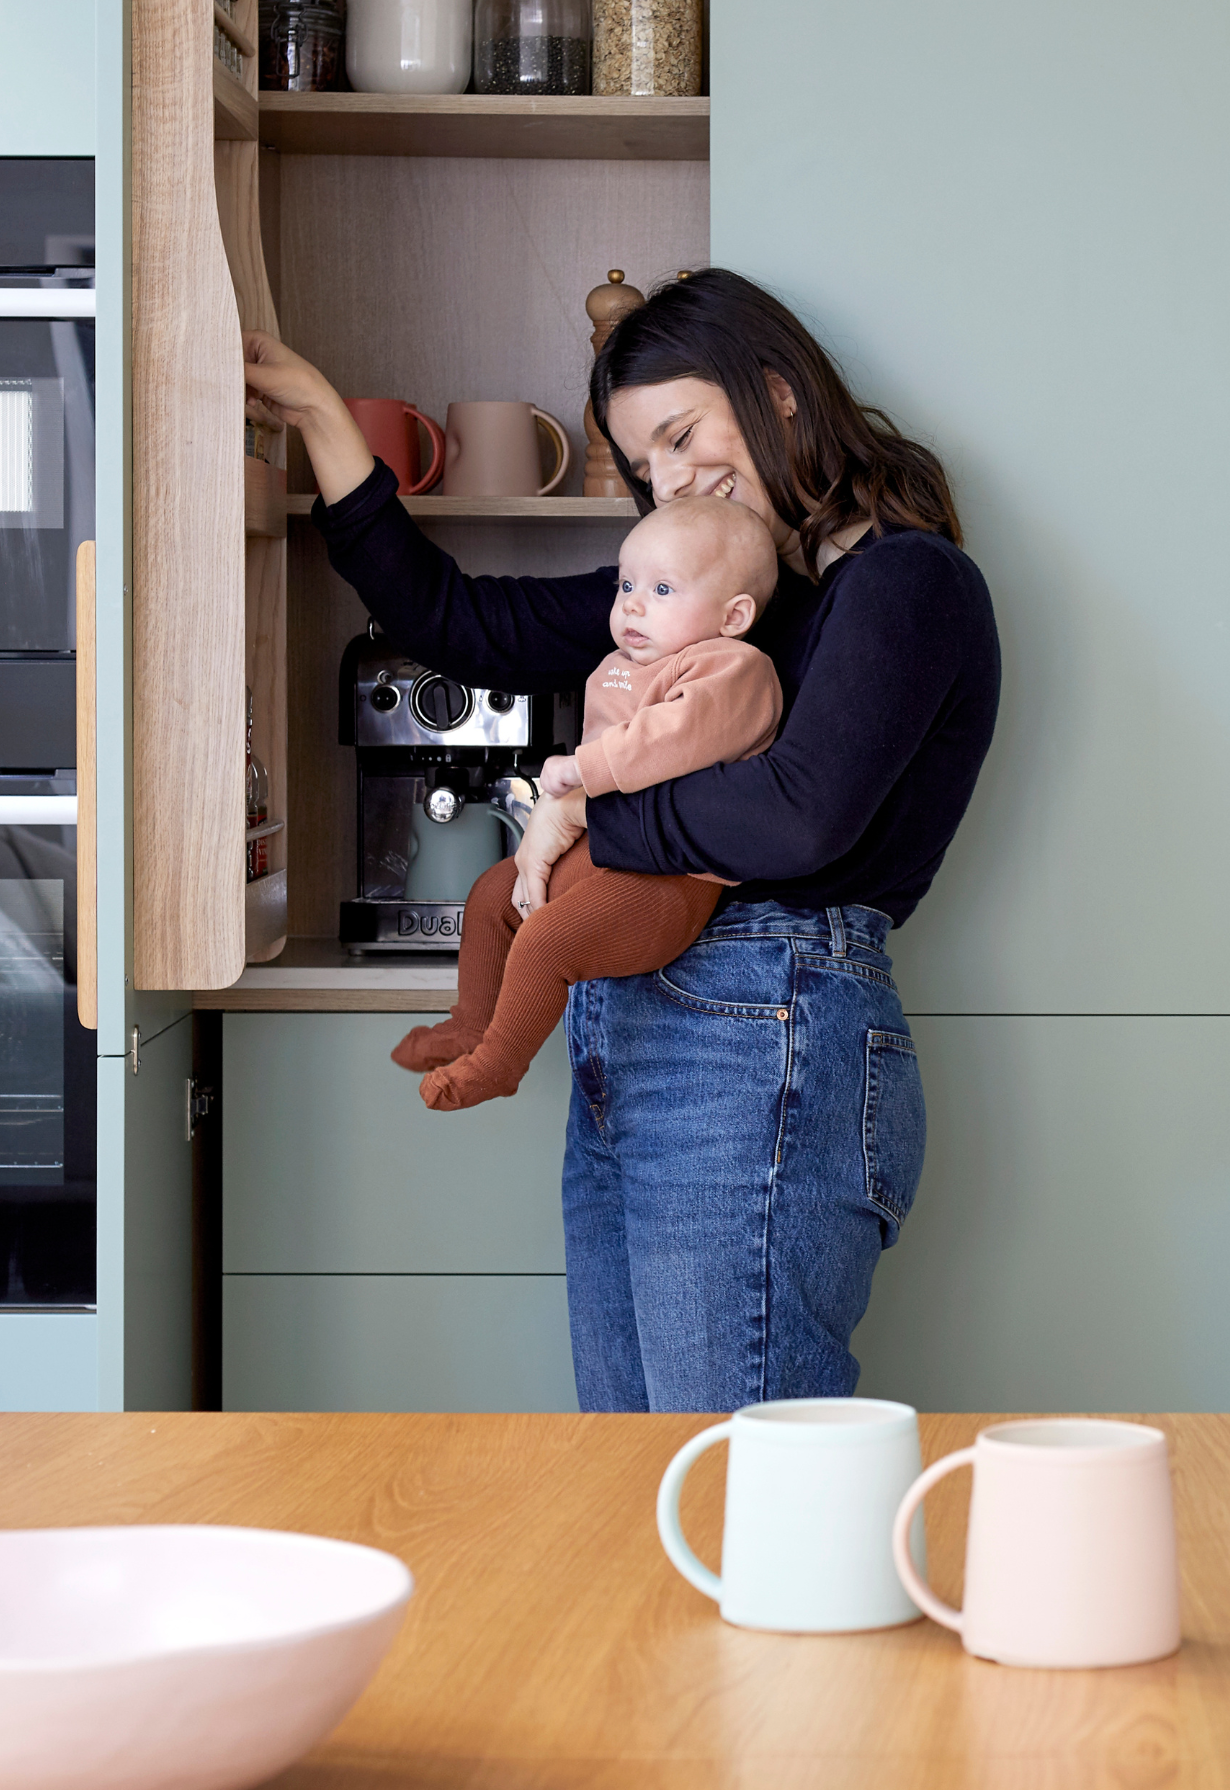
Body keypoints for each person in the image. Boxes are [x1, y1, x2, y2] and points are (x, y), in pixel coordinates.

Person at [242, 266, 1001, 1415]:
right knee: (632, 1474)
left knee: (734, 1474)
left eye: (685, 433)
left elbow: (796, 815)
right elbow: (457, 621)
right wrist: (321, 423)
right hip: (634, 1027)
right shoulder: (691, 591)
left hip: (766, 1028)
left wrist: (586, 812)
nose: (673, 478)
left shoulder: (905, 583)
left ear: (780, 390)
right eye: (646, 464)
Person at [393, 498, 783, 1111]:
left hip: (669, 878)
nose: (631, 603)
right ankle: (470, 1024)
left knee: (547, 940)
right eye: (626, 583)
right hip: (603, 848)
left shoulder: (733, 668)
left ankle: (498, 1063)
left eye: (661, 588)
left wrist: (581, 771)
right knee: (491, 895)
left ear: (733, 615)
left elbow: (669, 739)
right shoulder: (618, 665)